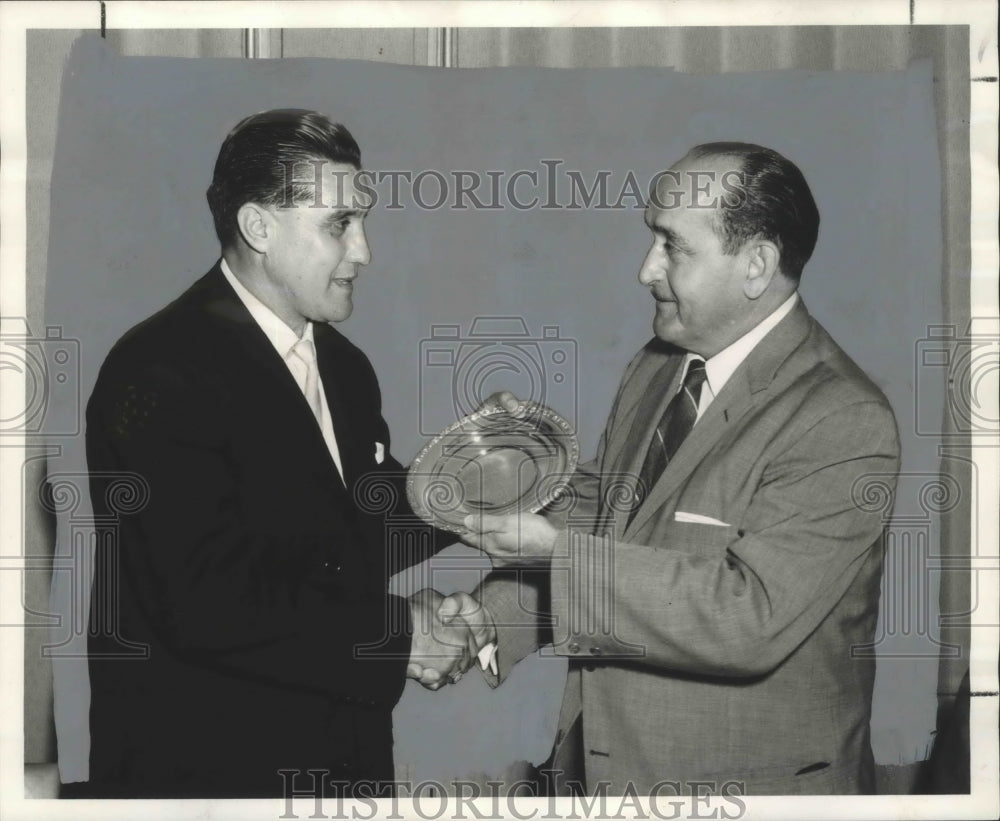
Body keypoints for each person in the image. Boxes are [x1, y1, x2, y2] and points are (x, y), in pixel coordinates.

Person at [442, 143, 902, 795]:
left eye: (671, 245)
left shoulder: (842, 417)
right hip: (599, 774)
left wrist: (553, 550)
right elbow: (604, 517)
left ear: (756, 265)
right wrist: (491, 613)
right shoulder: (661, 365)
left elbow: (749, 616)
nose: (645, 269)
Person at [83, 109, 471, 798]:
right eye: (338, 225)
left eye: (362, 220)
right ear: (259, 227)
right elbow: (208, 602)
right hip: (210, 779)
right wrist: (400, 634)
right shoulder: (158, 370)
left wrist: (475, 484)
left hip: (342, 771)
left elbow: (351, 536)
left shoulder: (343, 365)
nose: (364, 252)